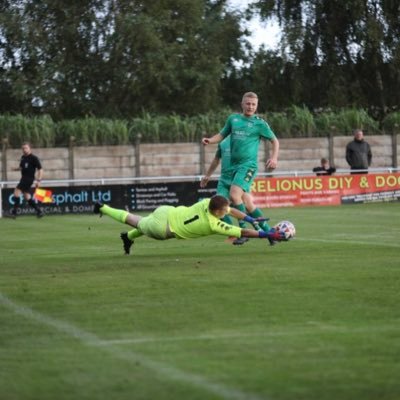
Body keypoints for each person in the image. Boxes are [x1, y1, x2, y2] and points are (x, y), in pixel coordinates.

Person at [93, 195, 287, 255]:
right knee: (131, 219)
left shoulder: (207, 202)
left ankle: (127, 238)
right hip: (162, 229)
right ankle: (103, 208)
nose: (227, 212)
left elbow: (231, 211)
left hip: (167, 210)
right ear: (218, 212)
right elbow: (241, 231)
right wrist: (266, 235)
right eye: (224, 211)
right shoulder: (213, 225)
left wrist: (252, 219)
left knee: (135, 223)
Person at [201, 91, 279, 232]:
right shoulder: (233, 119)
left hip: (248, 166)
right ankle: (268, 232)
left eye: (253, 104)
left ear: (257, 106)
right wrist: (210, 140)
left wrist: (274, 158)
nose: (250, 107)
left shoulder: (260, 124)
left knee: (234, 195)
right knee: (247, 203)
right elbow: (221, 134)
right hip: (234, 169)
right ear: (242, 104)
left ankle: (243, 229)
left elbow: (274, 140)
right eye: (248, 103)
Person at [200, 135, 272, 245]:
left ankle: (268, 233)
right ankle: (234, 234)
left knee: (247, 204)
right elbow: (216, 159)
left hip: (238, 177)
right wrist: (208, 175)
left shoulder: (244, 139)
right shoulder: (223, 142)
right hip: (224, 180)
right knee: (219, 205)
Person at [10, 142, 44, 218]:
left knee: (16, 192)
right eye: (23, 148)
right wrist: (15, 169)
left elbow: (40, 169)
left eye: (26, 148)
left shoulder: (34, 158)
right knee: (27, 196)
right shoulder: (23, 157)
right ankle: (39, 211)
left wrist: (39, 181)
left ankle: (14, 213)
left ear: (30, 148)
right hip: (24, 178)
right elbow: (22, 167)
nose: (24, 150)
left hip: (28, 179)